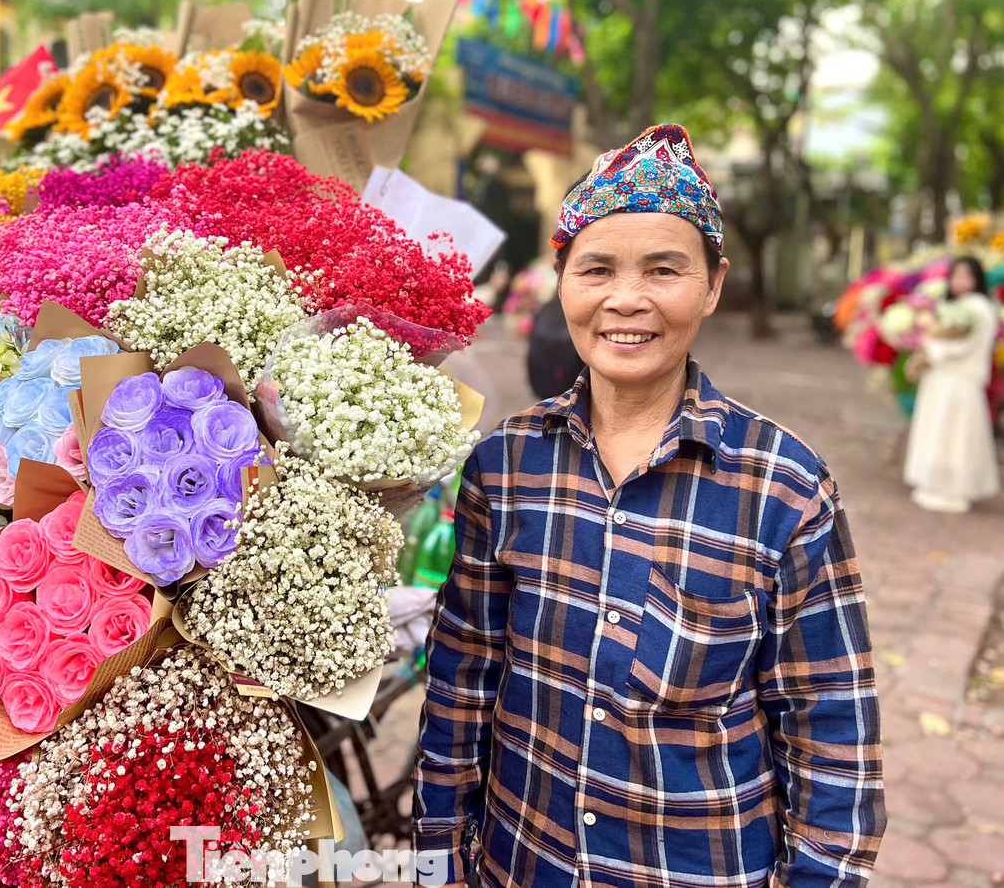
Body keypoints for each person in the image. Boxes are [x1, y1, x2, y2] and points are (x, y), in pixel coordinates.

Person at [413, 125, 885, 888]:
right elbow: (462, 687)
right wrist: (437, 863)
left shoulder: (785, 487)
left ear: (713, 284)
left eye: (665, 269)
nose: (626, 299)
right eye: (596, 267)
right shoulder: (503, 464)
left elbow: (835, 738)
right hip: (519, 862)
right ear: (561, 278)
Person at [903, 255, 1001, 513]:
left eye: (967, 275)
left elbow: (963, 347)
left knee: (955, 435)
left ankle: (954, 489)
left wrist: (929, 345)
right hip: (942, 378)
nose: (960, 281)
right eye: (956, 275)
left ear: (977, 279)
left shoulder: (979, 308)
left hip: (959, 380)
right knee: (938, 431)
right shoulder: (953, 306)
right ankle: (935, 483)